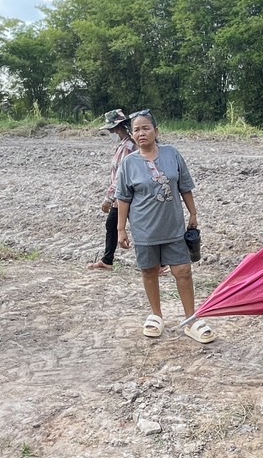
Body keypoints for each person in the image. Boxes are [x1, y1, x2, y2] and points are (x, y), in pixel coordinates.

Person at [116, 110, 215, 344]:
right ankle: (156, 315)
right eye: (136, 130)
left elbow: (185, 185)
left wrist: (193, 212)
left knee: (183, 271)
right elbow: (123, 198)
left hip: (174, 228)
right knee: (149, 270)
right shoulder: (129, 163)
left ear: (156, 131)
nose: (141, 133)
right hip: (144, 229)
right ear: (132, 135)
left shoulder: (172, 154)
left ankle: (191, 319)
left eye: (146, 128)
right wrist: (121, 229)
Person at [89, 108, 135, 270]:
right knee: (113, 225)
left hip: (127, 195)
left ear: (117, 128)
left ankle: (159, 265)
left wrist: (108, 199)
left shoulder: (128, 147)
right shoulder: (124, 145)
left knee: (140, 228)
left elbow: (120, 176)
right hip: (123, 195)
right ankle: (107, 260)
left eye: (111, 128)